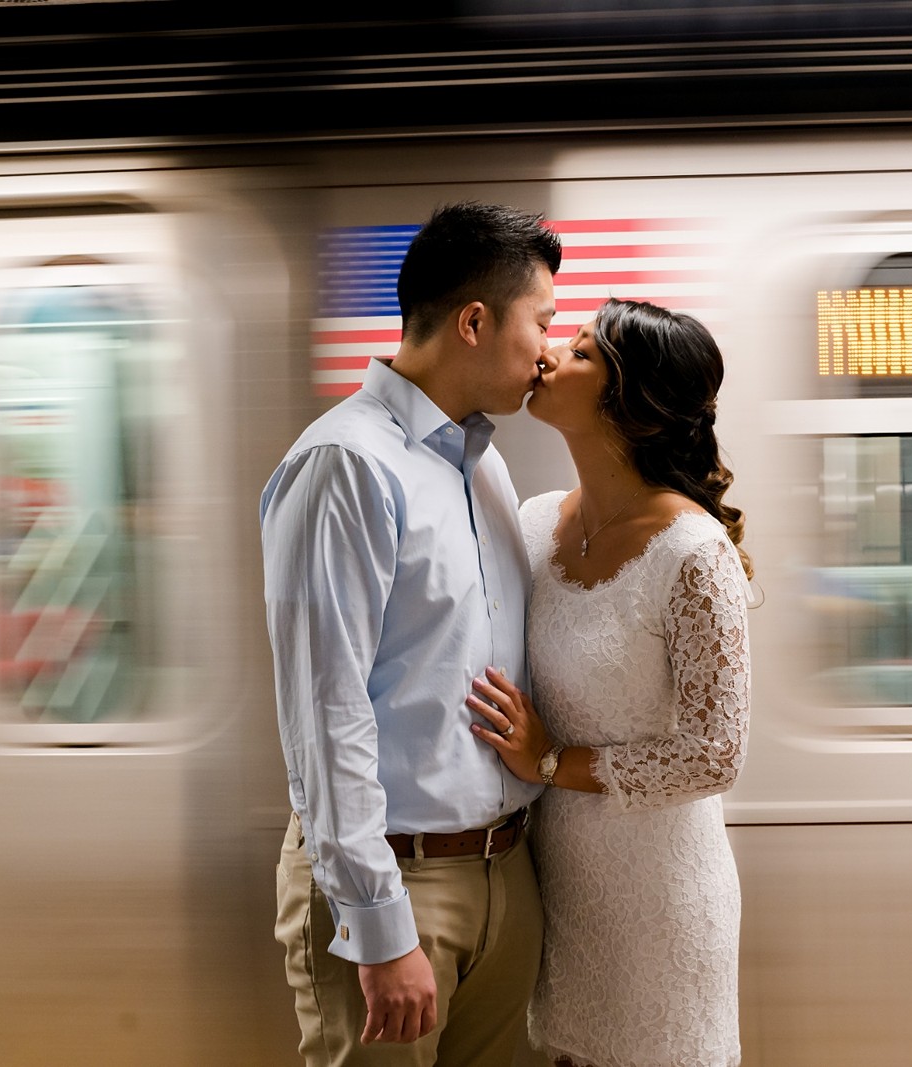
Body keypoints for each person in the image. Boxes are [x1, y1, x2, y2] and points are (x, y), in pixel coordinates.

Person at [261, 201, 561, 1066]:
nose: (549, 345)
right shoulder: (347, 464)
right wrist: (380, 925)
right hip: (398, 883)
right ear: (475, 321)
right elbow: (327, 709)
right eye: (540, 320)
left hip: (504, 874)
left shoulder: (483, 466)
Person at [466, 298, 753, 1067]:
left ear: (631, 404)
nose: (550, 354)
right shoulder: (529, 525)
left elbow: (717, 753)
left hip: (662, 901)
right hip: (559, 893)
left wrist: (554, 761)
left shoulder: (693, 554)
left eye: (584, 352)